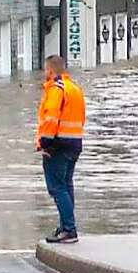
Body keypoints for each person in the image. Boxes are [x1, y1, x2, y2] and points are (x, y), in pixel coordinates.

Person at [37, 55, 86, 244]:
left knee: (57, 187)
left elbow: (51, 118)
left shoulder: (56, 89)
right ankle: (67, 225)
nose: (44, 73)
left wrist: (46, 144)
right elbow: (82, 117)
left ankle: (69, 229)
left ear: (50, 70)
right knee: (66, 186)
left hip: (58, 145)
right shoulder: (74, 89)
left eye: (45, 70)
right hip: (75, 143)